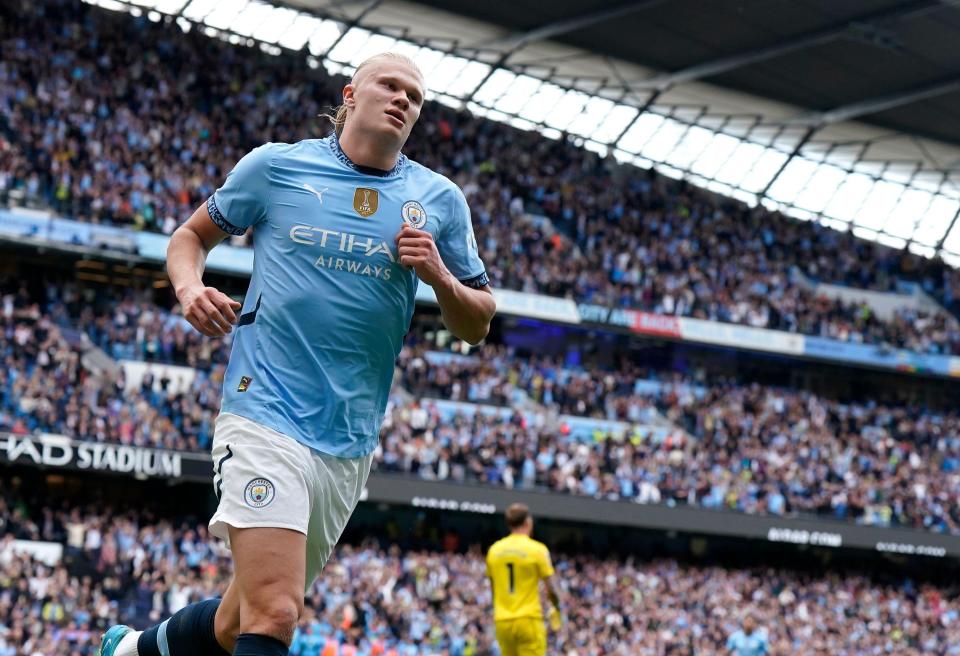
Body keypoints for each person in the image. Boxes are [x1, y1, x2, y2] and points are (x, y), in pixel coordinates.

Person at [99, 52, 496, 656]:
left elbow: (478, 323)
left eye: (414, 97)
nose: (402, 101)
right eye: (389, 86)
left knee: (241, 619)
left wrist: (439, 276)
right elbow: (189, 237)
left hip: (349, 437)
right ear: (349, 95)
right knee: (277, 612)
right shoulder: (277, 167)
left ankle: (134, 651)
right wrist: (189, 288)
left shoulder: (438, 200)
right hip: (264, 409)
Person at [485, 503, 562, 656]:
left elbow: (493, 590)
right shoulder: (537, 549)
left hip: (502, 621)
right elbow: (552, 589)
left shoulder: (494, 550)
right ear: (528, 522)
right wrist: (557, 607)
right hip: (528, 619)